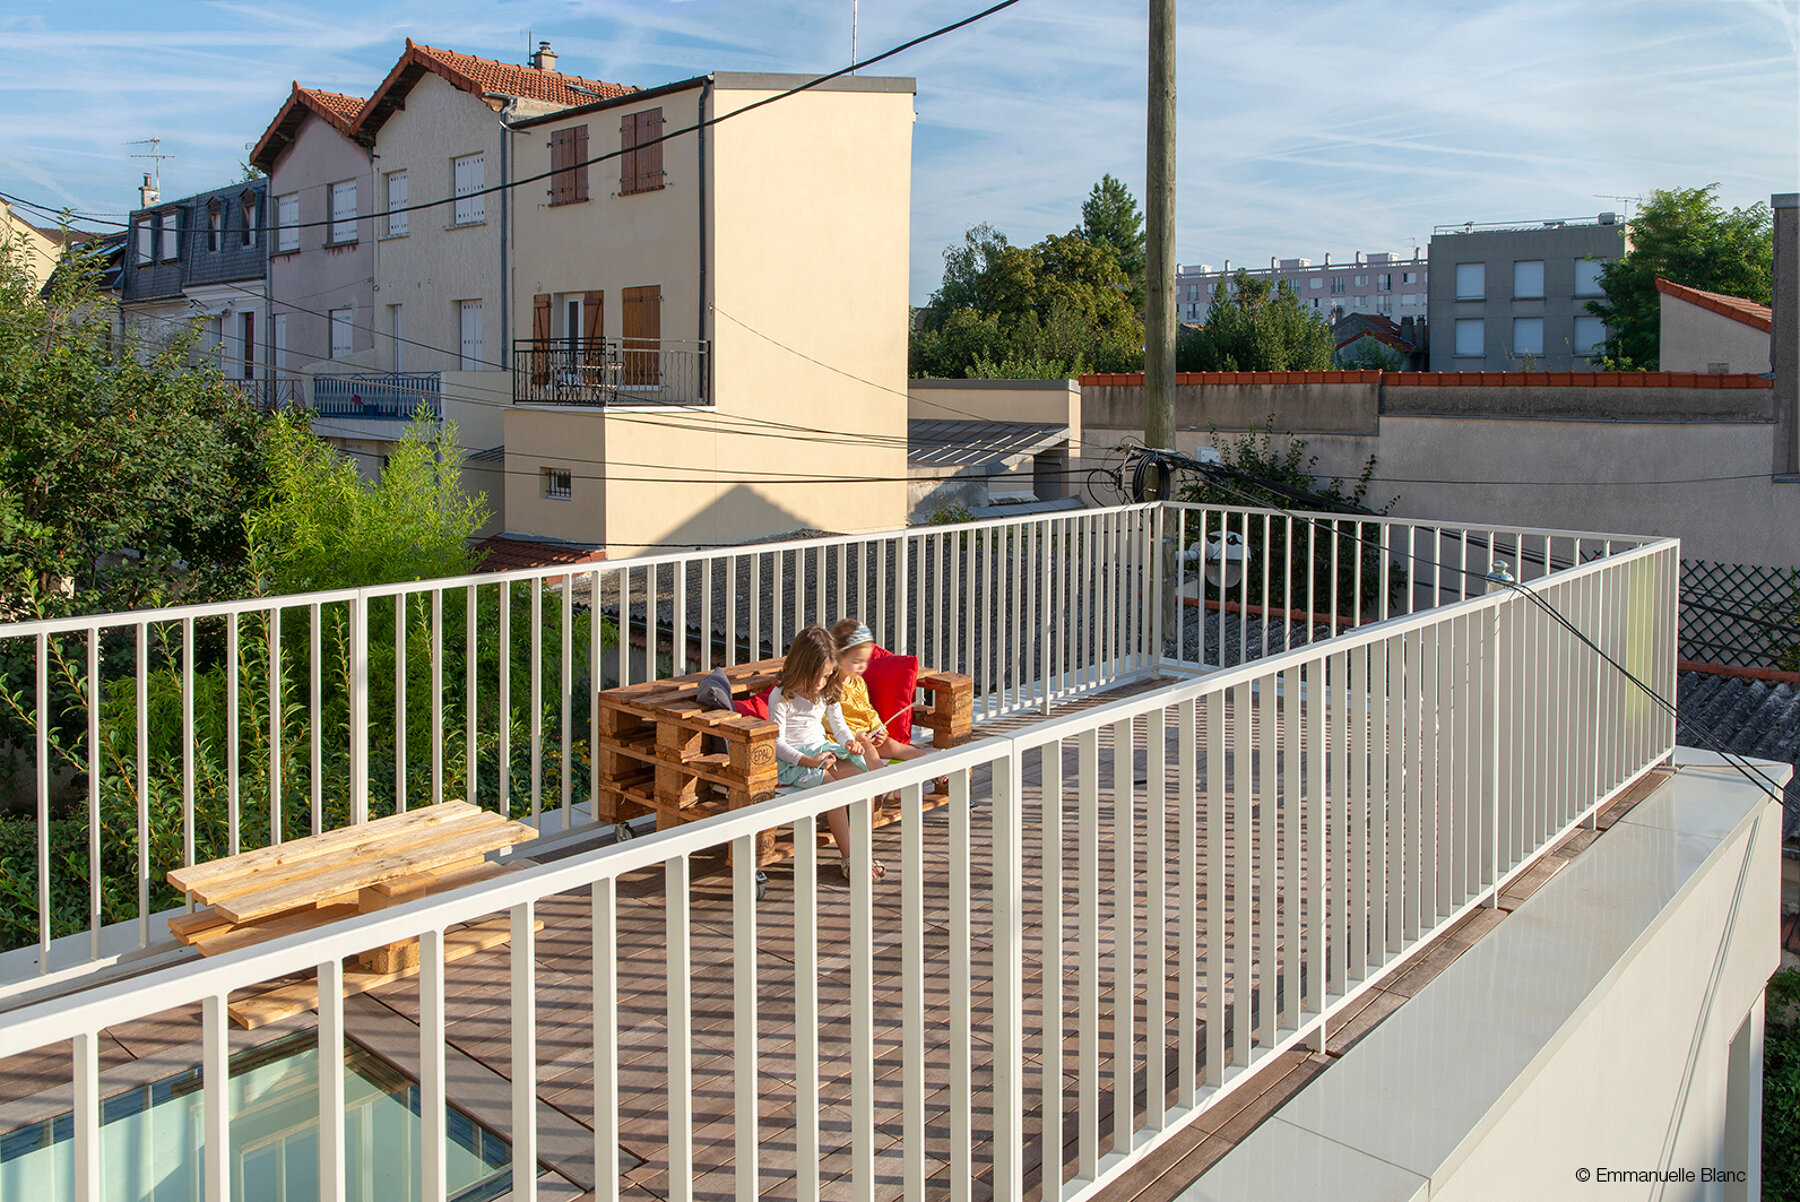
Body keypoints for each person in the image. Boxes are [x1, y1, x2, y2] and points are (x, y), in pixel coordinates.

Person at [770, 625, 883, 883]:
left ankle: (862, 852)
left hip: (823, 752)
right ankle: (850, 859)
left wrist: (848, 743)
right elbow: (777, 743)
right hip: (795, 760)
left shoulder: (826, 691)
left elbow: (839, 724)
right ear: (802, 668)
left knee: (863, 783)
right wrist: (809, 761)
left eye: (827, 676)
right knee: (835, 793)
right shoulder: (781, 696)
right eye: (819, 676)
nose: (822, 683)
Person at [830, 618, 927, 767]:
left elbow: (868, 710)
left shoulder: (858, 682)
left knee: (894, 746)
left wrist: (878, 729)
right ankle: (884, 783)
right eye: (856, 662)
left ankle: (934, 766)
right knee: (868, 749)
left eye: (865, 661)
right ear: (838, 657)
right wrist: (856, 735)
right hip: (843, 740)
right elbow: (826, 720)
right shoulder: (829, 686)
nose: (862, 667)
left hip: (867, 735)